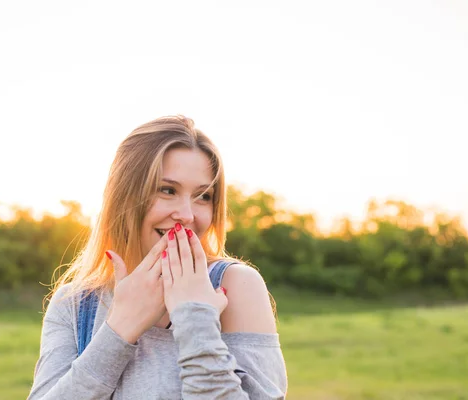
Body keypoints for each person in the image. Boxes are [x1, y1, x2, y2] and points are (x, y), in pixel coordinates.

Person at [27, 115, 288, 399]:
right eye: (167, 190)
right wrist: (119, 329)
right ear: (124, 196)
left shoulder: (236, 287)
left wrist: (195, 319)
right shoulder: (77, 305)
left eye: (203, 196)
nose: (187, 215)